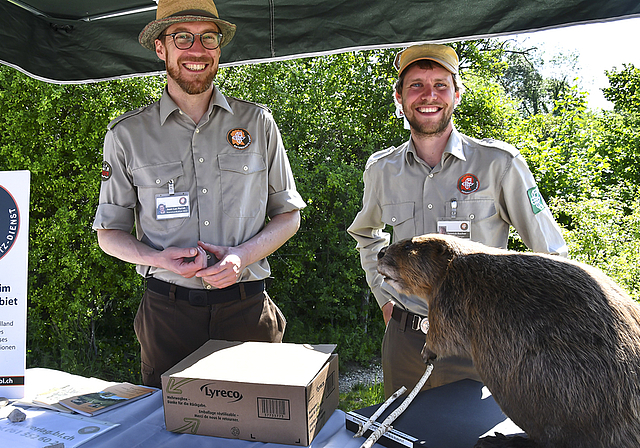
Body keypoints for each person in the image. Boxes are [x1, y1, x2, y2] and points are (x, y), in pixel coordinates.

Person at [92, 0, 306, 388]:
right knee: (167, 431)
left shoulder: (257, 122)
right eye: (182, 37)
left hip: (247, 310)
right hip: (168, 316)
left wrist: (241, 257)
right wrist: (159, 258)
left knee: (259, 431)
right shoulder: (126, 135)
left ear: (219, 48)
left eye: (209, 38)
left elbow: (288, 214)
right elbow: (109, 234)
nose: (197, 49)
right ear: (161, 48)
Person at [347, 44, 567, 398]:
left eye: (440, 84)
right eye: (416, 85)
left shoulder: (499, 164)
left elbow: (551, 256)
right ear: (399, 98)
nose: (428, 95)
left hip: (480, 343)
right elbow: (366, 234)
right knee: (400, 435)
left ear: (457, 94)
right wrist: (384, 295)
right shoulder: (381, 170)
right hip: (405, 343)